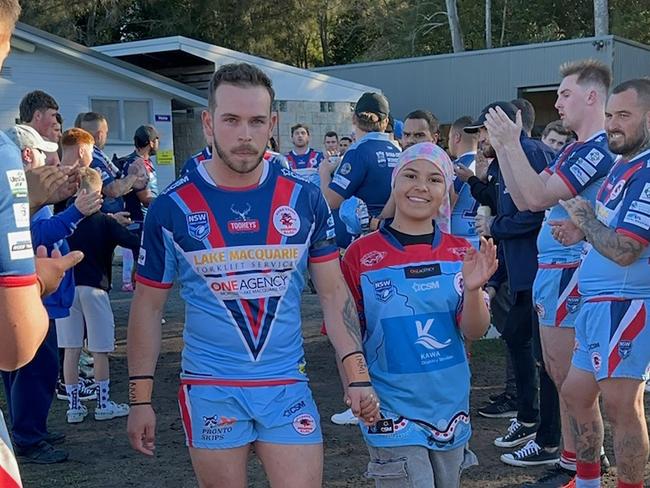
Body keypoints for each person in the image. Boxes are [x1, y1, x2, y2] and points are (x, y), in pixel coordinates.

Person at [126, 62, 379, 487]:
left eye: (256, 121)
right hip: (211, 387)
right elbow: (148, 307)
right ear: (208, 123)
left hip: (286, 385)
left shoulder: (305, 200)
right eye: (231, 120)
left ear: (272, 124)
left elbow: (334, 295)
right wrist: (140, 398)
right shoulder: (171, 208)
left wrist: (357, 376)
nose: (245, 134)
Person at [484, 60, 614, 480]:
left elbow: (538, 197)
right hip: (553, 271)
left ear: (592, 97)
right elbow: (524, 198)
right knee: (560, 375)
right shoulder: (576, 148)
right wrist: (505, 147)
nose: (556, 102)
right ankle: (572, 460)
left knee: (573, 381)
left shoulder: (598, 148)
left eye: (565, 94)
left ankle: (585, 465)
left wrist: (512, 142)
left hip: (573, 272)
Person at [341, 142, 497, 487]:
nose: (421, 187)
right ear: (395, 181)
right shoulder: (359, 254)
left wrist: (472, 290)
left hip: (450, 407)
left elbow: (475, 331)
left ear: (446, 192)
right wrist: (356, 385)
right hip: (390, 408)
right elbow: (346, 333)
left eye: (434, 179)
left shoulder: (461, 252)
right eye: (410, 175)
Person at [551, 78, 650, 488]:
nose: (612, 124)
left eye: (624, 115)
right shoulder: (623, 165)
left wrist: (586, 220)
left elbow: (627, 249)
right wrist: (585, 230)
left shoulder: (647, 171)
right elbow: (611, 227)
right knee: (576, 393)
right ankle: (588, 480)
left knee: (622, 404)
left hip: (626, 304)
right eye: (609, 115)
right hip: (598, 304)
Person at [1, 125, 101, 465]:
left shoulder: (23, 189)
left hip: (30, 293)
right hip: (31, 295)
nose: (50, 160)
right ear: (27, 155)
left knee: (22, 368)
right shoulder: (15, 190)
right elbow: (34, 234)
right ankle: (29, 435)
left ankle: (29, 428)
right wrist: (76, 213)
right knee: (37, 366)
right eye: (45, 153)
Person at [466, 101, 554, 452]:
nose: (481, 138)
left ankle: (549, 437)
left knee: (545, 357)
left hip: (540, 275)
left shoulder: (530, 151)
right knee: (517, 338)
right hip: (521, 275)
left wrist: (495, 226)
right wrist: (495, 274)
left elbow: (536, 213)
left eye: (484, 129)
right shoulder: (505, 162)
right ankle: (530, 418)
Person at [57, 167, 140, 424]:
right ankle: (103, 403)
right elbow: (134, 242)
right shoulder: (104, 222)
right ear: (96, 193)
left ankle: (74, 406)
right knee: (100, 349)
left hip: (67, 290)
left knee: (71, 348)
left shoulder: (63, 220)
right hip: (95, 289)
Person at [320, 92, 400, 222]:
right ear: (385, 122)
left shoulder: (358, 152)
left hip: (370, 232)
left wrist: (324, 171)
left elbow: (331, 201)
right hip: (398, 229)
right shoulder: (399, 151)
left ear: (353, 118)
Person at [77, 112, 148, 213]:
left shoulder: (94, 153)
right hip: (102, 218)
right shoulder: (91, 157)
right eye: (106, 133)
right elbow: (112, 190)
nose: (106, 137)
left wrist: (129, 182)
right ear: (100, 135)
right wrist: (133, 175)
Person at [118, 125, 160, 291]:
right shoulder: (136, 163)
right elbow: (145, 198)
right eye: (157, 140)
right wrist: (168, 202)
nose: (158, 143)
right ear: (151, 142)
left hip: (144, 220)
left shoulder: (146, 162)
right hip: (138, 221)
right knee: (142, 266)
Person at [448, 115, 479, 248]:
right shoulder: (487, 165)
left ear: (456, 137)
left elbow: (449, 201)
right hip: (479, 234)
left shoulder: (457, 166)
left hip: (457, 237)